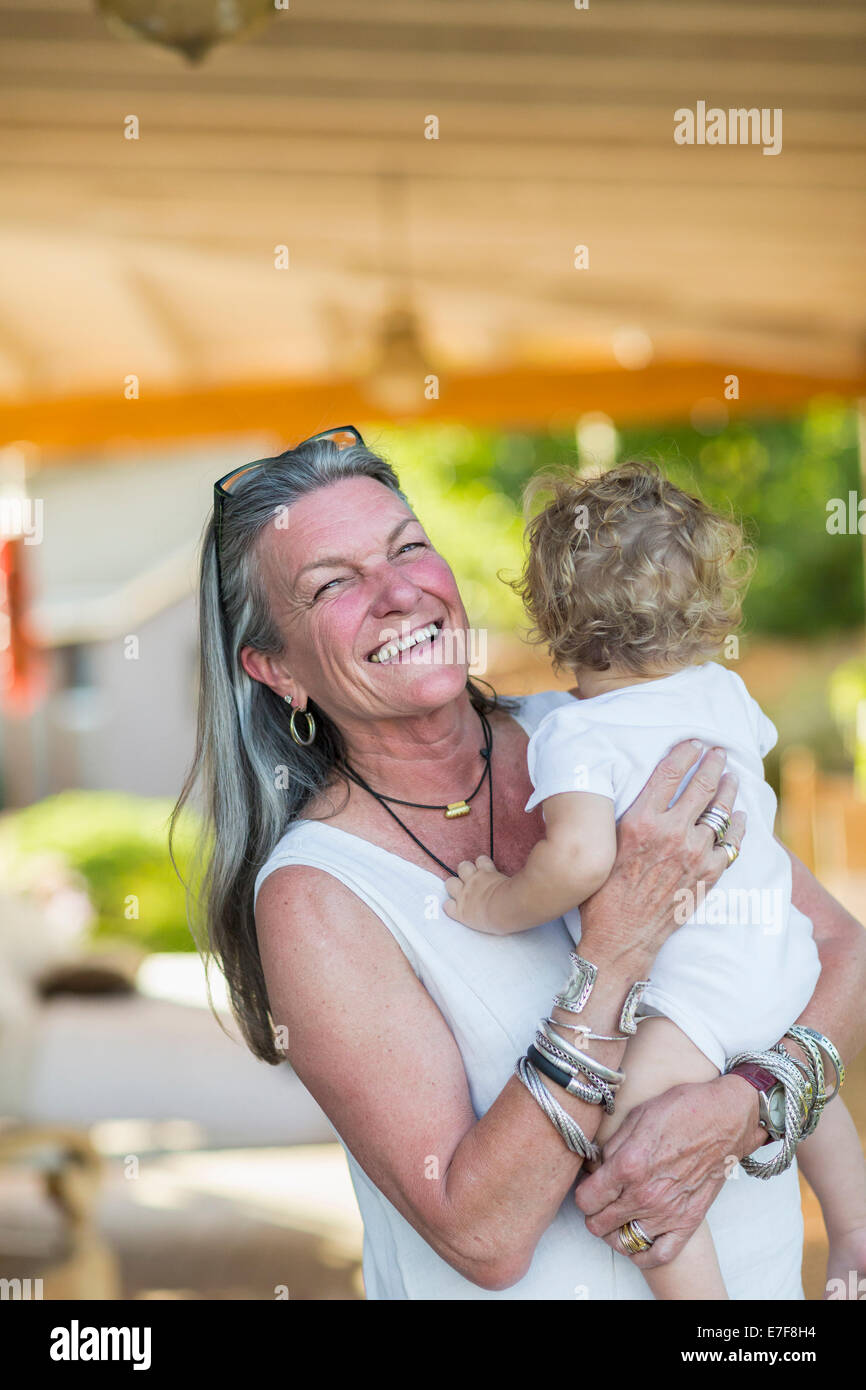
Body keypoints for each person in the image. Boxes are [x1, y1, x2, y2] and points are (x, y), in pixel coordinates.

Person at [171, 427, 866, 1300]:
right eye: (334, 583)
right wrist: (614, 953)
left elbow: (838, 952)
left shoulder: (598, 729)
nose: (395, 594)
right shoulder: (318, 895)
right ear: (277, 670)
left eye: (407, 548)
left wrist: (751, 1103)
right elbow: (482, 1234)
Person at [445, 461, 866, 1299]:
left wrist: (495, 903)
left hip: (695, 991)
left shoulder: (575, 730)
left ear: (553, 616)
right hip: (779, 955)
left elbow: (579, 859)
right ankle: (854, 1235)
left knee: (634, 1144)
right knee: (805, 1085)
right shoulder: (727, 692)